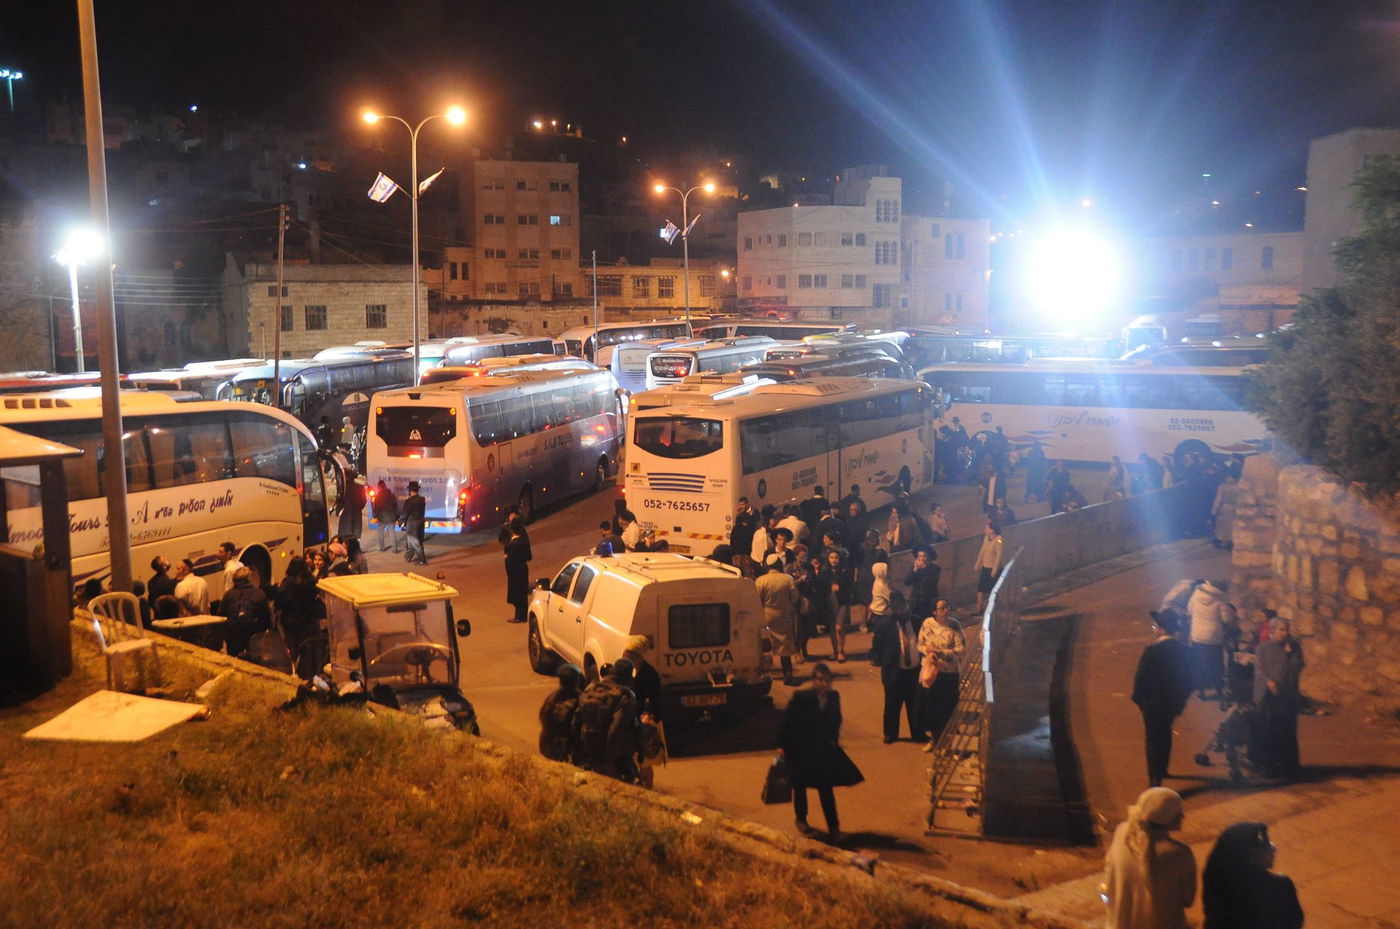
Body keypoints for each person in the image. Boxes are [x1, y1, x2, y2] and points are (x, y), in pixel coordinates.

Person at [777, 662, 864, 843]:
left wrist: (833, 740)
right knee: (800, 787)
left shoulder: (833, 697)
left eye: (827, 680)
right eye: (821, 680)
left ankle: (834, 828)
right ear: (814, 680)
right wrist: (783, 746)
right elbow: (787, 723)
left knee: (826, 789)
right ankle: (801, 819)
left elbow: (836, 719)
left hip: (822, 750)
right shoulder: (801, 697)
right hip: (801, 749)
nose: (824, 684)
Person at [1102, 787, 1196, 929]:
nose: (1182, 815)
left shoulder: (1123, 832)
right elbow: (1188, 899)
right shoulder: (1179, 852)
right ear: (1168, 816)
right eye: (1178, 812)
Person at [1132, 610, 1196, 787]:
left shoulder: (1151, 651)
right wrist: (1179, 701)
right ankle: (1163, 768)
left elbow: (1141, 679)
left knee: (1153, 738)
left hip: (1152, 704)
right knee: (1166, 733)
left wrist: (1140, 701)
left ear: (1160, 629)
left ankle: (1154, 776)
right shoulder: (1183, 651)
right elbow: (1190, 680)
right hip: (1171, 703)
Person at [1202, 822, 1304, 929]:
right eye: (1266, 847)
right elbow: (1295, 922)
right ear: (1251, 856)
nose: (1272, 850)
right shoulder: (1280, 887)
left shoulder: (1215, 883)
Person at [572, 658, 640, 782]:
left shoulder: (591, 689)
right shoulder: (623, 697)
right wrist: (610, 760)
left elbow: (576, 721)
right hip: (611, 754)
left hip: (588, 749)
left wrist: (579, 752)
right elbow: (617, 730)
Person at [1253, 617, 1305, 780]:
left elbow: (1296, 669)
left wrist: (1290, 654)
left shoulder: (1293, 648)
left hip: (1287, 695)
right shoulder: (1263, 648)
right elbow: (1260, 668)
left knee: (1288, 731)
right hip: (1268, 696)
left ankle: (1289, 766)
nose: (1285, 632)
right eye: (1281, 629)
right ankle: (1269, 765)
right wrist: (1269, 682)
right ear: (1272, 630)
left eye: (1286, 629)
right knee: (1270, 731)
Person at [872, 594, 921, 743]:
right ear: (893, 610)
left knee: (915, 705)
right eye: (898, 609)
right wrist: (885, 663)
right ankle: (890, 733)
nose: (901, 611)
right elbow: (877, 647)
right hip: (895, 672)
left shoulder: (917, 621)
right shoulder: (884, 625)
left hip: (914, 671)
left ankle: (918, 733)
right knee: (892, 704)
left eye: (903, 607)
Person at [918, 599, 966, 750]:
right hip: (932, 673)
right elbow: (920, 644)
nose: (945, 611)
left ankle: (948, 743)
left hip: (949, 673)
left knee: (947, 708)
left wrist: (941, 653)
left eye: (947, 607)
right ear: (935, 612)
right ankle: (934, 740)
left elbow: (961, 649)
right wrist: (928, 652)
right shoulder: (927, 624)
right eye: (941, 608)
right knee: (931, 708)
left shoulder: (954, 625)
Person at [622, 636, 666, 788]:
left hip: (645, 722)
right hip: (635, 719)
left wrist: (648, 716)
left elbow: (653, 700)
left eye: (629, 655)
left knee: (645, 761)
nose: (626, 658)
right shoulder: (635, 671)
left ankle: (648, 790)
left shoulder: (649, 674)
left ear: (639, 656)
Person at [756, 553, 801, 685]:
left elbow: (756, 601)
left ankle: (765, 673)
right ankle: (787, 673)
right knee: (784, 646)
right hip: (784, 615)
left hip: (766, 615)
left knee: (765, 646)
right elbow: (795, 598)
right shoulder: (787, 579)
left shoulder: (761, 580)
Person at [275, 556, 323, 678]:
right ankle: (308, 676)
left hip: (291, 624)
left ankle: (293, 675)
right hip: (307, 623)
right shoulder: (311, 582)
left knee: (292, 652)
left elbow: (278, 603)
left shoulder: (287, 584)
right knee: (307, 652)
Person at [1187, 579, 1235, 699]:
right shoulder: (1221, 600)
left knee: (1199, 663)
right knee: (1216, 663)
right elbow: (1226, 619)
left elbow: (1189, 610)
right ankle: (1218, 690)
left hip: (1197, 635)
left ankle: (1201, 691)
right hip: (1213, 637)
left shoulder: (1196, 593)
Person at [219, 565, 271, 658]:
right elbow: (266, 617)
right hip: (253, 634)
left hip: (233, 635)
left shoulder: (228, 595)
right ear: (248, 578)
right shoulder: (259, 593)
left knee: (233, 658)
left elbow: (221, 615)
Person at [538, 664, 584, 763]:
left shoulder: (552, 697)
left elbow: (542, 717)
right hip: (564, 749)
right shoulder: (579, 700)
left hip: (547, 745)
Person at [818, 546, 855, 663]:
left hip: (843, 601)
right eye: (831, 557)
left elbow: (851, 586)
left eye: (836, 558)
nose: (834, 560)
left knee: (839, 627)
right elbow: (821, 586)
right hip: (830, 602)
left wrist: (840, 587)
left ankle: (841, 651)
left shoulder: (846, 571)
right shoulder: (825, 571)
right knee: (832, 628)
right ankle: (836, 651)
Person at [503, 517, 532, 623]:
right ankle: (522, 615)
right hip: (523, 570)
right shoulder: (524, 542)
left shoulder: (512, 545)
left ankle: (519, 616)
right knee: (522, 593)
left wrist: (507, 558)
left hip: (515, 573)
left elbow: (509, 562)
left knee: (516, 594)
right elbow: (529, 557)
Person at [974, 521, 1004, 614]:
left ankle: (993, 609)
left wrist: (994, 570)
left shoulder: (999, 540)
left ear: (992, 530)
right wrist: (978, 562)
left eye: (987, 528)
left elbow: (999, 556)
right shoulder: (986, 538)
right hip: (985, 567)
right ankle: (979, 609)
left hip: (993, 569)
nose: (985, 529)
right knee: (980, 588)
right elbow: (982, 550)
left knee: (992, 590)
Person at [905, 546, 941, 621]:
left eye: (924, 556)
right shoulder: (915, 568)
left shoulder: (935, 568)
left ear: (929, 557)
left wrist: (923, 569)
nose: (921, 558)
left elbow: (930, 583)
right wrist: (915, 571)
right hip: (916, 602)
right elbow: (907, 582)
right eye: (919, 556)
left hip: (929, 602)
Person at [399, 480, 428, 565]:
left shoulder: (409, 501)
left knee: (414, 541)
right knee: (417, 540)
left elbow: (405, 513)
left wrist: (401, 522)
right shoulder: (422, 500)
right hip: (421, 521)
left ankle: (422, 559)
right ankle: (408, 556)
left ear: (410, 491)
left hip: (412, 523)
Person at [372, 480, 400, 553]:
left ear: (379, 487)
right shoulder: (392, 495)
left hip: (382, 517)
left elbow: (376, 507)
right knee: (392, 532)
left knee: (380, 532)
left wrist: (376, 516)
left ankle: (381, 547)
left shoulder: (378, 496)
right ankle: (394, 548)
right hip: (391, 516)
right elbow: (395, 505)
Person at [338, 474, 367, 539]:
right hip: (357, 512)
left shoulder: (343, 488)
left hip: (346, 512)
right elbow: (364, 500)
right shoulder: (360, 487)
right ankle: (355, 544)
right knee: (356, 529)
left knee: (345, 530)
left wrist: (340, 509)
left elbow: (339, 500)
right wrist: (359, 508)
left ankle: (345, 545)